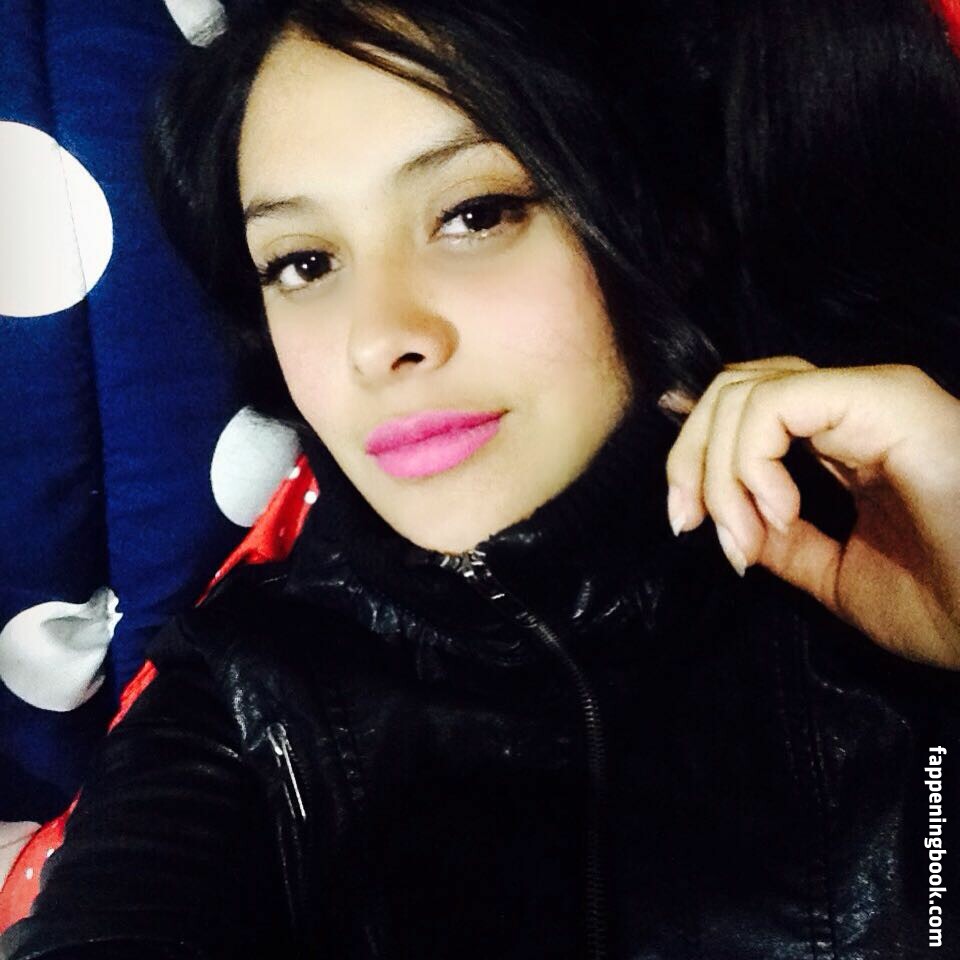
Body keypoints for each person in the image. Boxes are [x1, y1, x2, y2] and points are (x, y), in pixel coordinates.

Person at [3, 0, 960, 957]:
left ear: (665, 229)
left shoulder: (901, 566)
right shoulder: (236, 702)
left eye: (474, 215)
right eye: (304, 262)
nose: (380, 339)